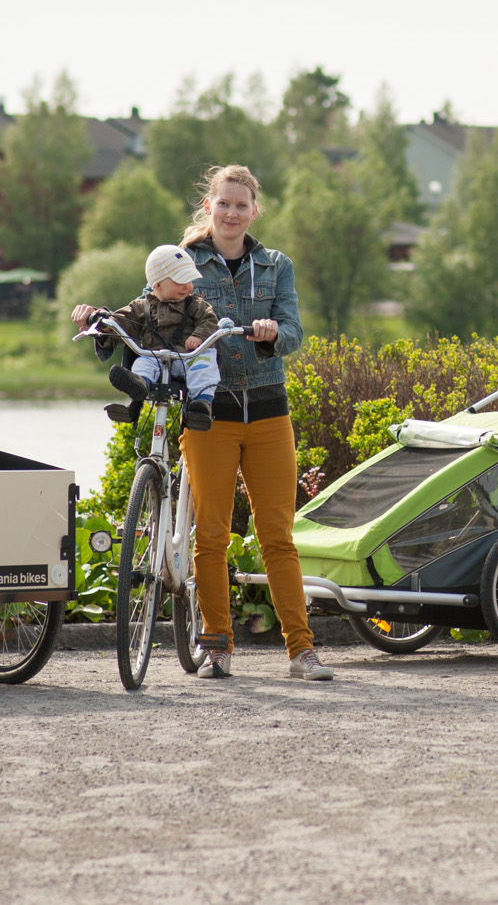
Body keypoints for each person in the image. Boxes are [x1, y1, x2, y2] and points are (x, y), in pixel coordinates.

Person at [176, 164, 329, 680]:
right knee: (211, 536)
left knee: (278, 537)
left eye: (241, 205)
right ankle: (217, 647)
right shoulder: (183, 262)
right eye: (224, 203)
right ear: (209, 206)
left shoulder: (275, 265)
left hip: (267, 411)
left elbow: (294, 331)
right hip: (209, 414)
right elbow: (157, 315)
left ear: (254, 212)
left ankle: (301, 652)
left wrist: (272, 333)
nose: (231, 213)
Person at [72, 245, 220, 430]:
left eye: (189, 280)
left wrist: (199, 336)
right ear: (157, 285)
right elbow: (121, 320)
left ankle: (202, 403)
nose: (187, 286)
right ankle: (139, 384)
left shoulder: (196, 304)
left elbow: (209, 320)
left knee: (205, 365)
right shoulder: (142, 306)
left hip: (189, 355)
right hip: (156, 357)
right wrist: (103, 322)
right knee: (142, 363)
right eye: (180, 281)